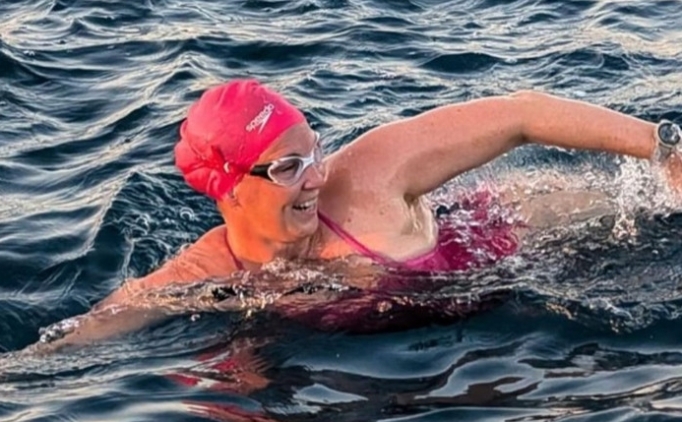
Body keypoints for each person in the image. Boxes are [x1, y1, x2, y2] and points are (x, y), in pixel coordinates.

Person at [25, 78, 682, 349]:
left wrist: (665, 149)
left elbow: (522, 115)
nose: (318, 176)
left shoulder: (369, 172)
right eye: (289, 167)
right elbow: (91, 331)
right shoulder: (207, 272)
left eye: (315, 151)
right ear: (229, 189)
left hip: (512, 236)